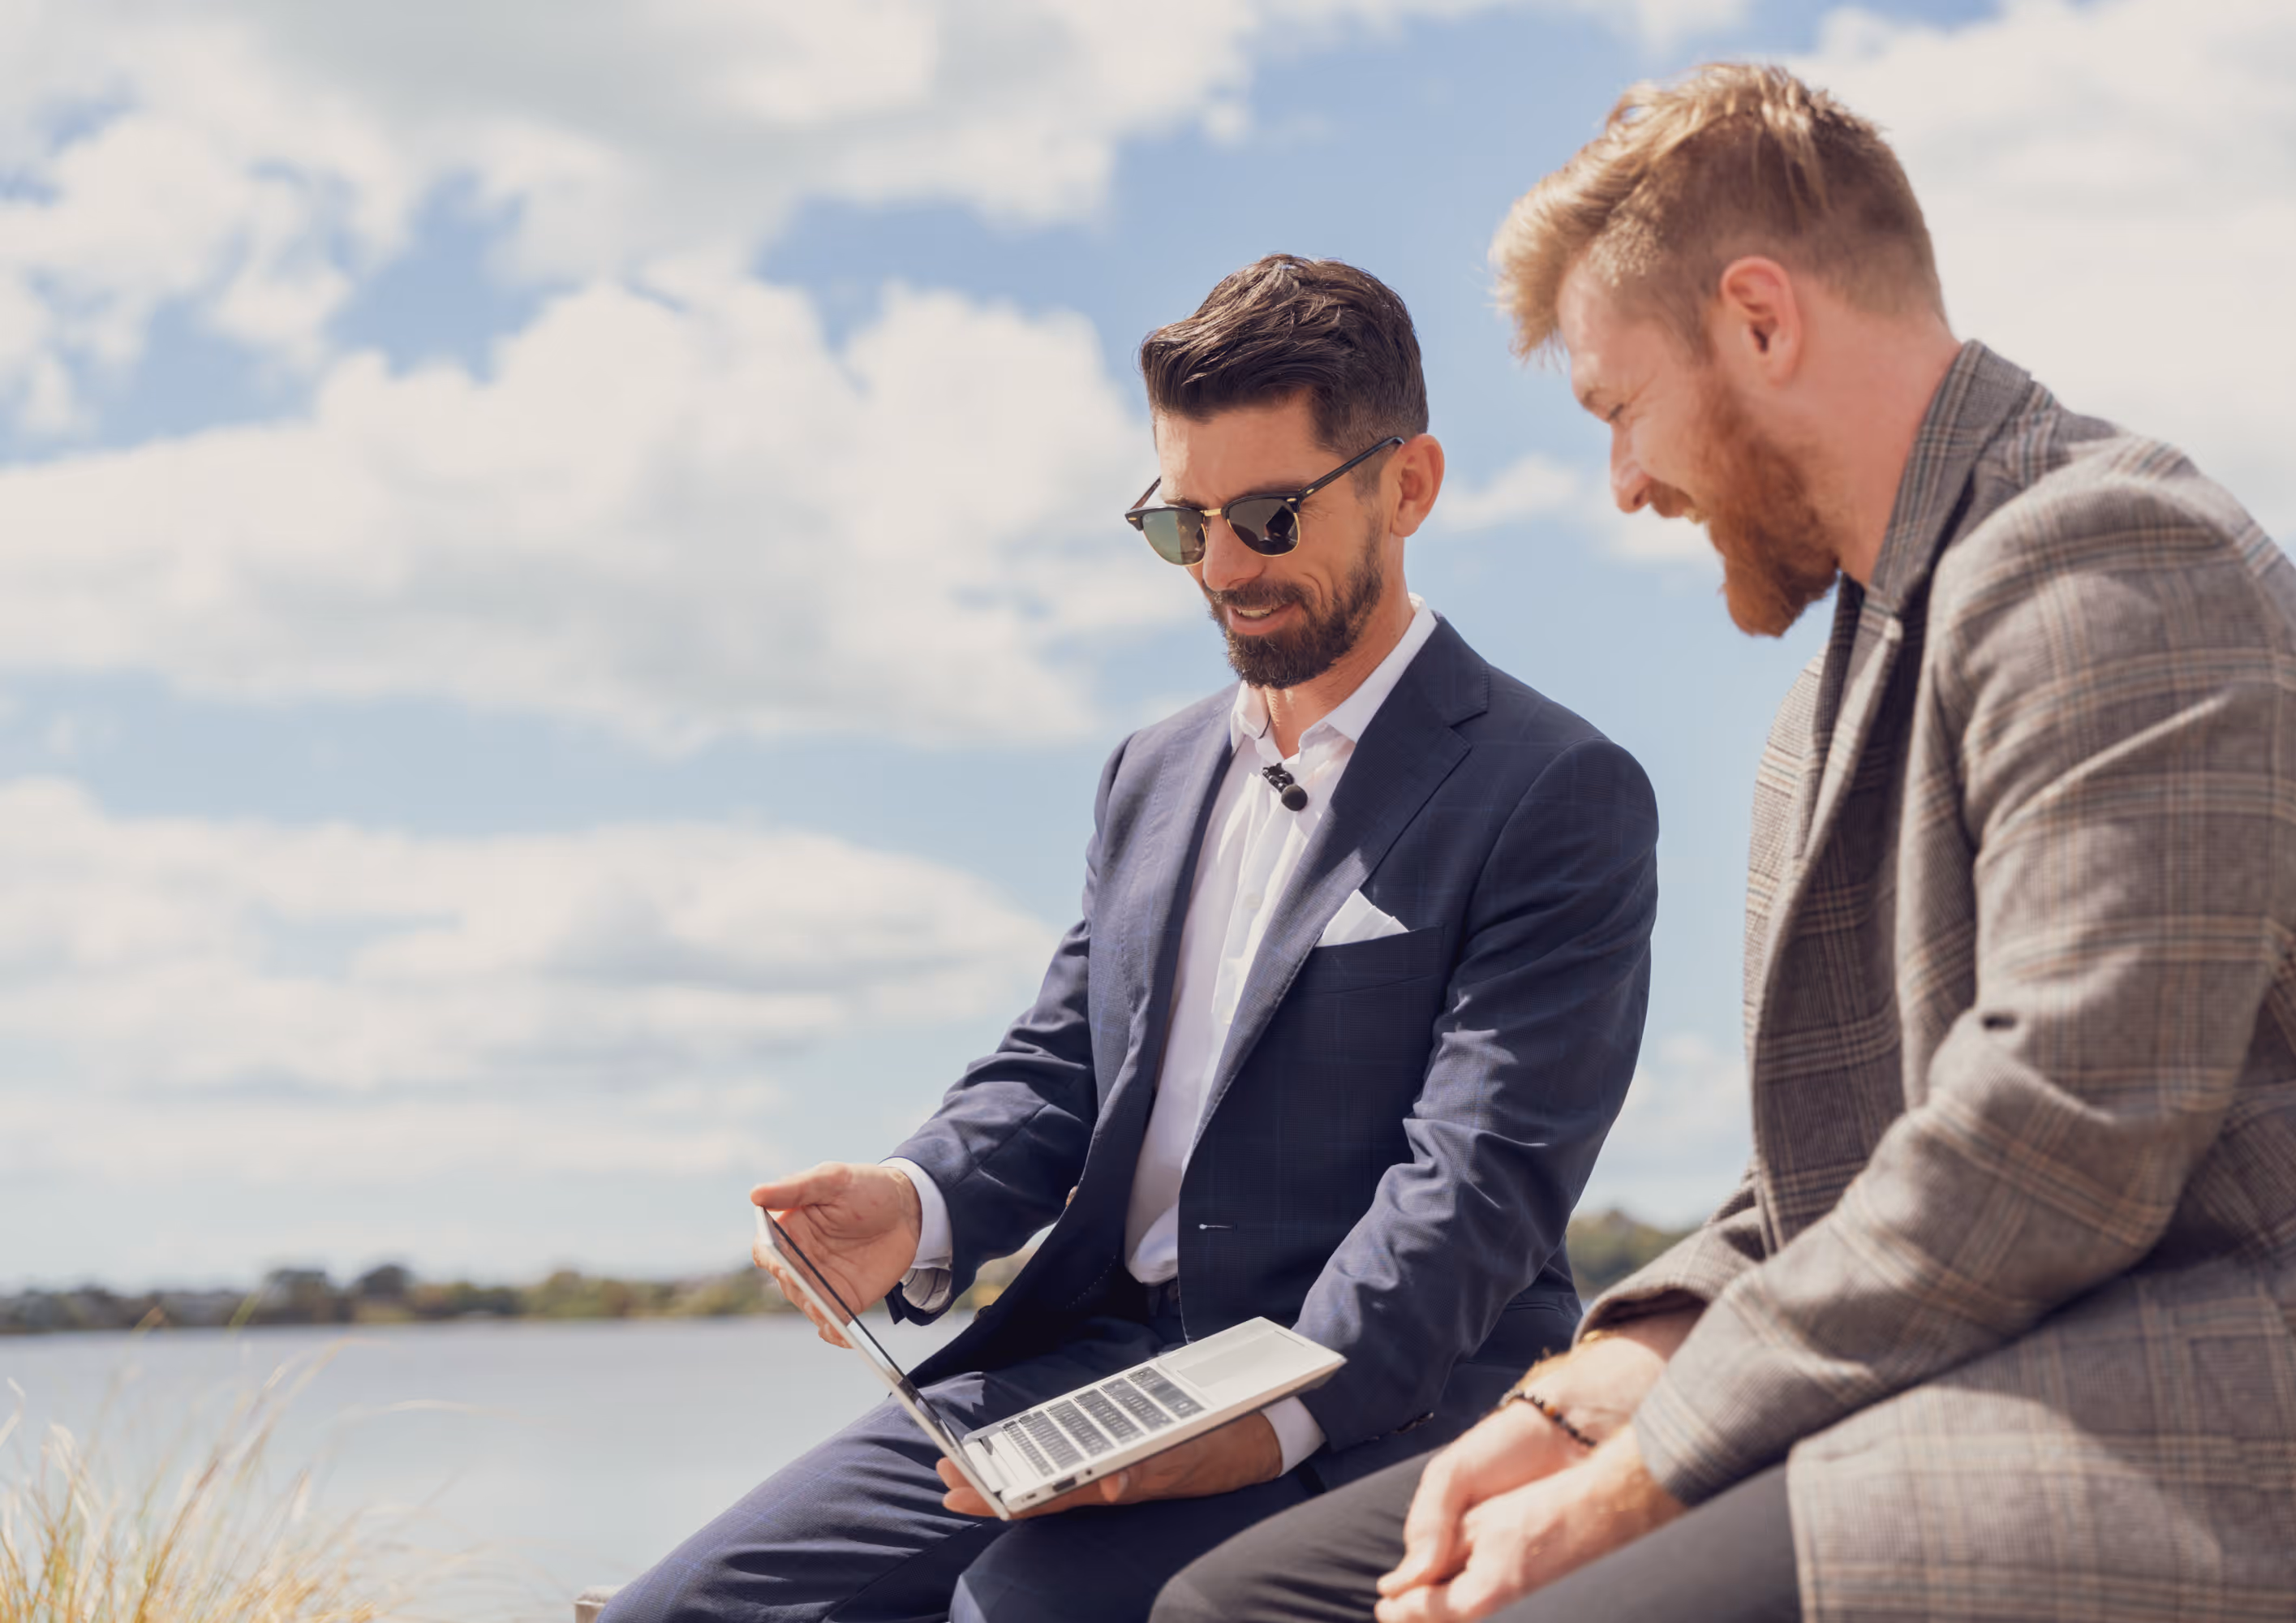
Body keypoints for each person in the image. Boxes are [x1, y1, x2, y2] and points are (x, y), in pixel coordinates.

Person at [1154, 65, 2296, 1623]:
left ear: (1759, 322)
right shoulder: (1831, 697)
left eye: (1620, 408)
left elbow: (2056, 1134)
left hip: (2226, 1428)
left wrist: (1645, 1470)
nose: (1624, 484)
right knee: (1243, 1604)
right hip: (1958, 1380)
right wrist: (1580, 1398)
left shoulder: (2107, 556)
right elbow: (1824, 1185)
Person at [598, 255, 1659, 1623]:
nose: (1221, 568)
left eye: (1268, 517)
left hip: (1366, 1396)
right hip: (1083, 1369)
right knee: (677, 1615)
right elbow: (1064, 1067)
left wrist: (1257, 1415)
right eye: (1182, 524)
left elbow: (1475, 1188)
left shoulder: (1551, 788)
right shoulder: (1148, 774)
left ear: (1409, 486)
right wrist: (913, 1201)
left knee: (1013, 1614)